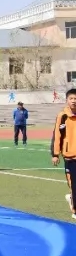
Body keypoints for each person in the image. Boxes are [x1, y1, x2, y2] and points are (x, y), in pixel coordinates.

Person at [50, 88, 76, 217]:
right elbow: (57, 136)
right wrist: (55, 154)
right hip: (70, 156)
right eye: (71, 98)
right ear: (67, 100)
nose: (74, 101)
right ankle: (75, 210)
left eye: (75, 99)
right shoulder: (63, 116)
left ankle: (72, 198)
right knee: (74, 183)